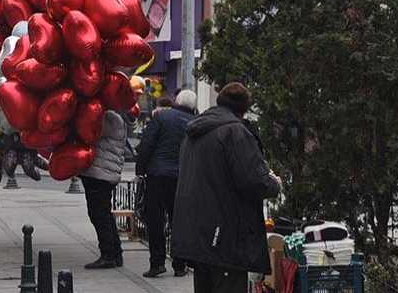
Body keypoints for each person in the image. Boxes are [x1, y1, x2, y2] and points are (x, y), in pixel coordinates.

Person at [172, 83, 281, 293]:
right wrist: (274, 183)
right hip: (225, 234)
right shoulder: (234, 132)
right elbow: (255, 180)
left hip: (197, 231)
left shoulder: (196, 130)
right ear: (243, 109)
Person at [136, 89, 196, 278]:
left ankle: (157, 263)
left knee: (155, 220)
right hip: (182, 178)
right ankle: (179, 265)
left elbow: (147, 144)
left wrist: (141, 170)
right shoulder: (196, 123)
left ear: (176, 101)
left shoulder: (162, 117)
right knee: (178, 221)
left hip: (157, 175)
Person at [80, 109, 127, 269]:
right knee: (104, 214)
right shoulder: (116, 117)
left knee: (99, 215)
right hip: (103, 172)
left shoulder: (110, 117)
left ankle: (108, 255)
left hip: (101, 173)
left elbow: (90, 132)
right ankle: (115, 253)